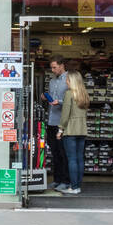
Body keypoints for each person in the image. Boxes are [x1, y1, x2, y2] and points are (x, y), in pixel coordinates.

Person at [57, 70, 89, 195]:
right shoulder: (84, 94)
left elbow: (65, 115)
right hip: (82, 129)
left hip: (70, 129)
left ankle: (74, 187)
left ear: (72, 81)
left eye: (68, 80)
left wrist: (60, 130)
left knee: (72, 159)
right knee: (79, 158)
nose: (66, 81)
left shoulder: (69, 94)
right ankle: (78, 185)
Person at [43, 56, 68, 191]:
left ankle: (65, 181)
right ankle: (57, 179)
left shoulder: (70, 79)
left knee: (63, 153)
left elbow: (75, 99)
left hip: (62, 122)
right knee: (55, 153)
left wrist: (60, 102)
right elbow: (52, 99)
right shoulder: (52, 81)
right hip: (51, 121)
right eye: (51, 67)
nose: (52, 70)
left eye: (54, 67)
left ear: (62, 65)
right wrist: (45, 97)